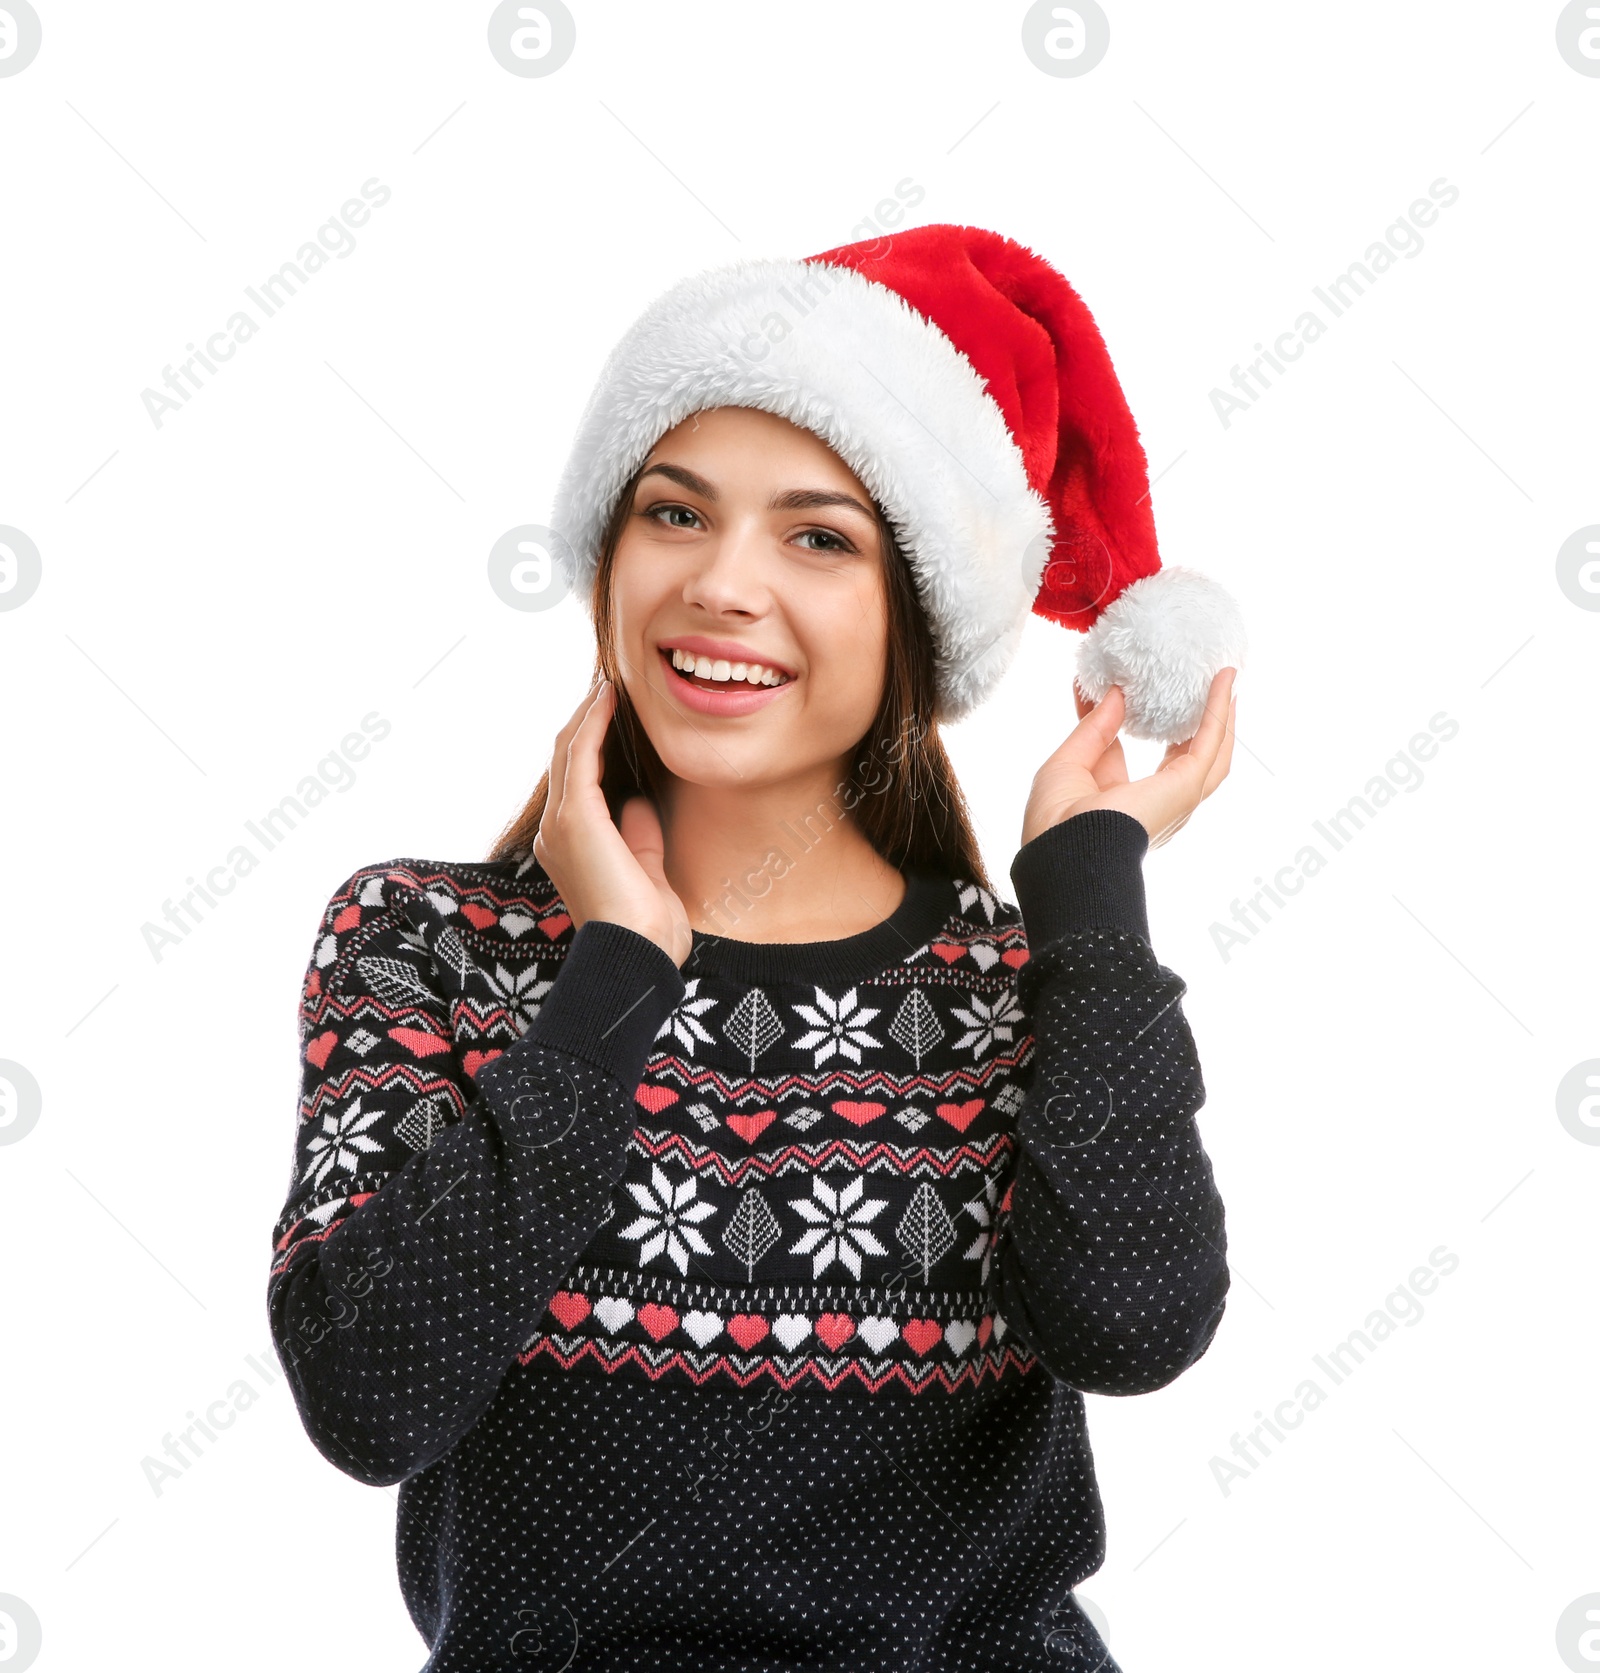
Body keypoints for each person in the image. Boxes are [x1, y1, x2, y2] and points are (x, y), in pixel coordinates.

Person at [267, 224, 1245, 1672]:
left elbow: (1135, 1322)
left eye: (817, 535)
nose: (722, 583)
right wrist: (614, 980)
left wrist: (1088, 887)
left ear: (913, 612)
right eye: (673, 513)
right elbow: (369, 1389)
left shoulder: (1011, 995)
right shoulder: (423, 945)